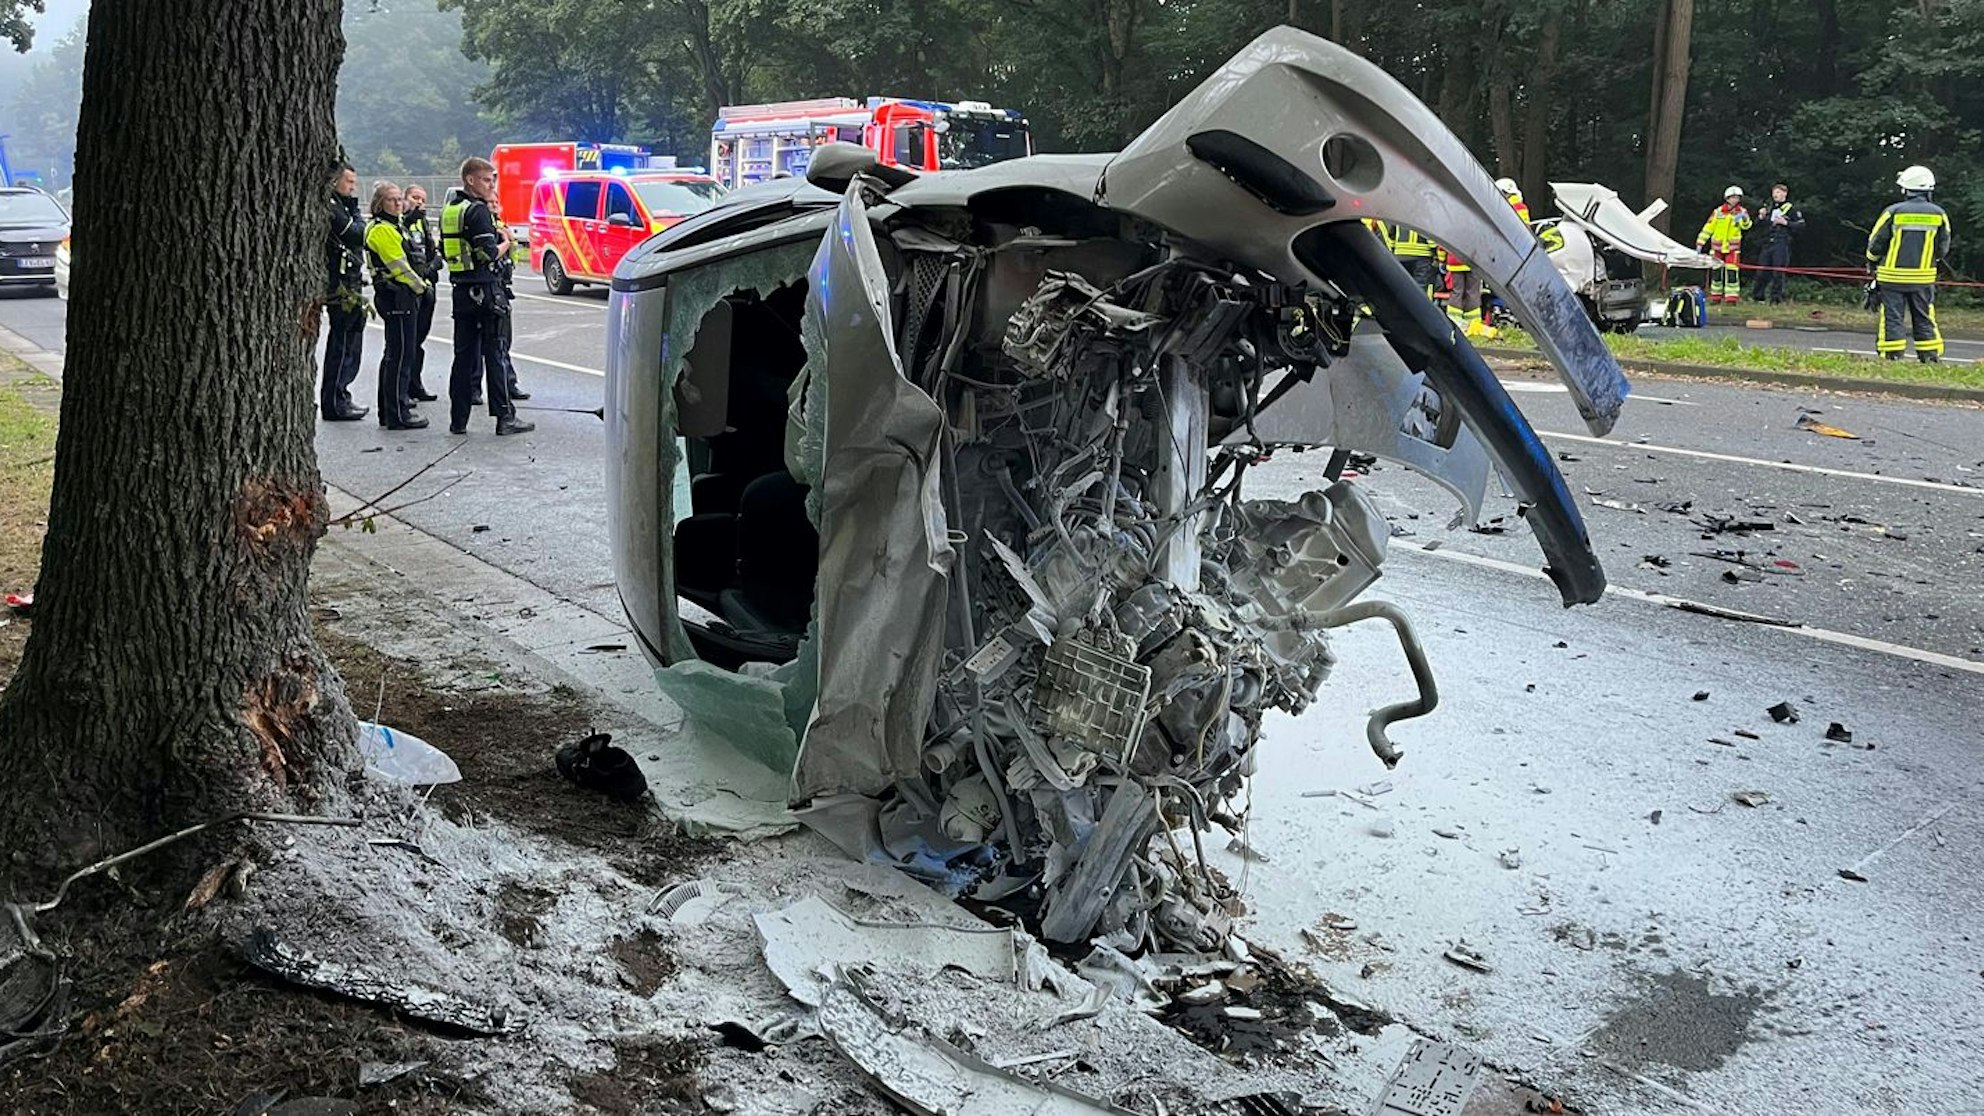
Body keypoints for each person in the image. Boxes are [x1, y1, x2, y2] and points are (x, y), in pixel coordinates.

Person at [441, 157, 534, 435]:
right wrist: (506, 241)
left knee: (463, 357)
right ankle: (505, 417)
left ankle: (458, 420)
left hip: (461, 291)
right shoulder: (478, 211)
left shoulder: (451, 209)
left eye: (492, 179)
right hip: (486, 290)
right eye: (485, 179)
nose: (490, 184)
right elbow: (489, 252)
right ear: (470, 180)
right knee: (495, 353)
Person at [363, 180, 432, 430]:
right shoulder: (382, 229)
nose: (398, 203)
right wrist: (421, 287)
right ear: (380, 204)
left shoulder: (394, 225)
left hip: (398, 295)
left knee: (395, 354)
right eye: (392, 199)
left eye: (398, 199)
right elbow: (400, 266)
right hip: (397, 295)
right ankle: (397, 412)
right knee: (401, 355)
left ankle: (391, 409)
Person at [1867, 165, 1952, 363]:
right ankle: (1929, 356)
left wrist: (1871, 262)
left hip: (1891, 277)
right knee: (1924, 315)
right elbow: (1943, 247)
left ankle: (1893, 355)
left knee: (1892, 316)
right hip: (1923, 278)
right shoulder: (1939, 214)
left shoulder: (1893, 212)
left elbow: (1876, 242)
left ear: (1906, 189)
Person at [321, 165, 369, 421]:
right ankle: (335, 400)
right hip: (340, 284)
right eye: (348, 181)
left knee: (352, 340)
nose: (352, 187)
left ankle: (342, 395)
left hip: (351, 281)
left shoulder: (344, 207)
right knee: (341, 344)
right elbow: (357, 233)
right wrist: (354, 210)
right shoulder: (332, 207)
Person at [402, 185, 443, 402]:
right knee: (407, 341)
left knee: (419, 339)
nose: (419, 202)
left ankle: (415, 384)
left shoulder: (423, 222)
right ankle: (405, 387)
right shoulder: (402, 222)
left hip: (428, 286)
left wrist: (434, 264)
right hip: (411, 287)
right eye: (415, 197)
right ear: (405, 198)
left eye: (423, 199)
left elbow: (432, 251)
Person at [1748, 184, 1805, 305]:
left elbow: (1801, 225)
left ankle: (1776, 299)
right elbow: (1757, 225)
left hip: (1782, 242)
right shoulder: (1769, 208)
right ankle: (1758, 297)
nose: (1775, 195)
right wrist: (1761, 217)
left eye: (1779, 192)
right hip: (1768, 242)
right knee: (1762, 270)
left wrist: (1786, 223)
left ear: (1785, 194)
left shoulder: (1791, 209)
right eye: (1774, 192)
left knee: (1778, 271)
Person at [1694, 186, 1752, 304]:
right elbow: (1708, 228)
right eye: (1732, 197)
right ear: (1727, 198)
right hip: (1717, 248)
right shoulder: (1718, 212)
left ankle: (1731, 298)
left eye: (1737, 198)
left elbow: (1746, 226)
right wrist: (1700, 243)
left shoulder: (1741, 212)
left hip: (1733, 249)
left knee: (1732, 273)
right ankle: (1716, 297)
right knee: (1716, 274)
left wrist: (1745, 219)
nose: (1735, 200)